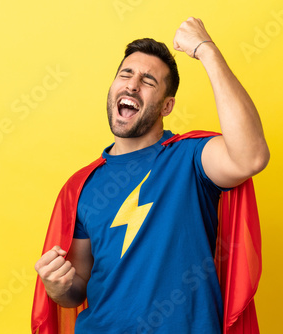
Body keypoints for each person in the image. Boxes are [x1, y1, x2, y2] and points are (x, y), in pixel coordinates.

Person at [33, 17, 269, 334]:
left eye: (148, 81)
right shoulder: (82, 186)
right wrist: (57, 286)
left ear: (166, 106)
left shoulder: (191, 158)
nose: (132, 84)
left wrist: (207, 52)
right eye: (125, 74)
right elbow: (78, 288)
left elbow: (251, 156)